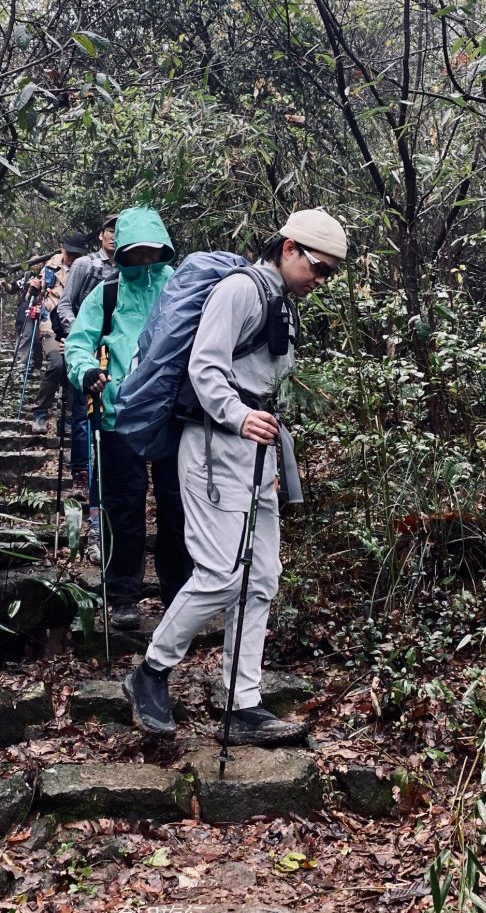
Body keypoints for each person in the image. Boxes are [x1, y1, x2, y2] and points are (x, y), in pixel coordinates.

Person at [125, 207, 347, 743]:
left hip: (254, 450)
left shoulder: (282, 302)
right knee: (222, 573)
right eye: (319, 267)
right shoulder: (241, 291)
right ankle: (150, 672)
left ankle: (240, 701)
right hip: (212, 443)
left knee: (262, 577)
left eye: (331, 274)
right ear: (289, 248)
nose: (322, 281)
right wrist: (239, 415)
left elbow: (263, 379)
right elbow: (205, 365)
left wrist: (265, 451)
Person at [65, 206, 192, 629]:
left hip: (174, 416)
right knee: (124, 508)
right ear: (121, 251)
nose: (143, 260)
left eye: (151, 251)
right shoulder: (108, 293)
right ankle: (123, 595)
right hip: (119, 415)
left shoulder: (180, 287)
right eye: (135, 251)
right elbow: (79, 343)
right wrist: (87, 371)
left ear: (163, 247)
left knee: (178, 508)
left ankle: (180, 595)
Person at [57, 214, 118, 558]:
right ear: (101, 235)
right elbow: (65, 304)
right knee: (86, 419)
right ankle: (97, 531)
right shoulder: (86, 265)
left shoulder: (138, 271)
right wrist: (79, 334)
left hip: (121, 362)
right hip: (90, 359)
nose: (115, 237)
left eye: (120, 232)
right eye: (110, 231)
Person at [30, 233, 88, 435]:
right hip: (50, 326)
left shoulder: (86, 268)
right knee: (57, 364)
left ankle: (70, 416)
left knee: (73, 367)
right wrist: (35, 289)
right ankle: (41, 411)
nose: (72, 257)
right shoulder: (50, 266)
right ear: (62, 248)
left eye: (76, 254)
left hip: (75, 326)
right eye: (69, 252)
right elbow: (41, 293)